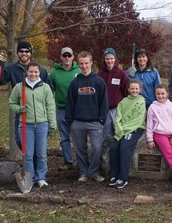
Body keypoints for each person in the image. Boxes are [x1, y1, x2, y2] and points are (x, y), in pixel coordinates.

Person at [0, 41, 53, 150]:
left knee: (37, 145)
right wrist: (0, 65)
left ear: (30, 53)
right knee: (21, 141)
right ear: (17, 53)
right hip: (20, 112)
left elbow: (49, 89)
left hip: (38, 114)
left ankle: (34, 165)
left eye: (27, 51)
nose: (24, 53)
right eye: (21, 51)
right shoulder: (11, 68)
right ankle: (30, 163)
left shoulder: (39, 70)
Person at [9, 62, 56, 187]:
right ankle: (29, 178)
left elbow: (50, 106)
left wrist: (52, 124)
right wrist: (19, 109)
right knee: (28, 154)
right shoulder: (20, 87)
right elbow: (11, 103)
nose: (33, 74)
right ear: (26, 72)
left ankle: (40, 178)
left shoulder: (45, 87)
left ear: (39, 72)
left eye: (36, 72)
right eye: (31, 72)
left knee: (41, 153)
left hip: (42, 124)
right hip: (26, 125)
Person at [65, 51, 108, 182]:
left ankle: (94, 172)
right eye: (81, 64)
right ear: (78, 64)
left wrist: (101, 120)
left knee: (96, 148)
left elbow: (103, 102)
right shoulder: (75, 83)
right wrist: (71, 121)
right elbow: (70, 103)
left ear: (91, 63)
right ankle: (83, 172)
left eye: (86, 63)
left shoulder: (99, 82)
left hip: (95, 122)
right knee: (80, 149)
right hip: (78, 122)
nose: (84, 66)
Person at [109, 80, 146, 189]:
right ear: (128, 89)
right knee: (114, 147)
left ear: (140, 90)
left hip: (134, 129)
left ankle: (123, 177)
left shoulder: (141, 101)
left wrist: (126, 130)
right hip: (122, 130)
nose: (134, 90)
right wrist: (120, 129)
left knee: (124, 148)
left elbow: (138, 120)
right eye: (132, 88)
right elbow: (118, 117)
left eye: (136, 89)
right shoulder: (123, 102)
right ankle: (114, 175)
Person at [50, 47, 81, 171]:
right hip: (62, 109)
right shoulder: (54, 73)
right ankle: (68, 161)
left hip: (77, 110)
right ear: (61, 57)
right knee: (64, 137)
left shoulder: (79, 71)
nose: (67, 58)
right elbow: (49, 90)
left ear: (73, 57)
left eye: (69, 55)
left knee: (78, 137)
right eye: (65, 56)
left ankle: (80, 162)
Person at [98, 47, 128, 140]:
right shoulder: (99, 75)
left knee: (118, 132)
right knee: (106, 134)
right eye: (107, 58)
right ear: (104, 60)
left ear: (115, 59)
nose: (109, 61)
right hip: (104, 109)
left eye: (111, 58)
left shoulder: (121, 74)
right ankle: (105, 154)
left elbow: (126, 92)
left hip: (117, 109)